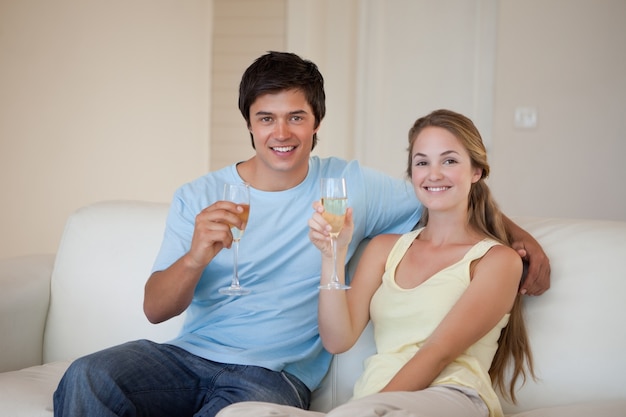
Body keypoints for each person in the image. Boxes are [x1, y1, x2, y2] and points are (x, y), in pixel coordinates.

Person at [53, 52, 547, 417]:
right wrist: (195, 258)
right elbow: (155, 309)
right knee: (87, 376)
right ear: (249, 124)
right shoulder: (199, 195)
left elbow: (442, 191)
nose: (281, 133)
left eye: (296, 117)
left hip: (273, 377)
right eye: (266, 118)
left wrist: (519, 237)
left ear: (316, 125)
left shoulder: (347, 185)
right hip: (186, 356)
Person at [217, 109, 536, 417]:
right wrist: (333, 255)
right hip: (370, 403)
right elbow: (337, 339)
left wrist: (364, 410)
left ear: (476, 171)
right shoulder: (386, 249)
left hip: (451, 395)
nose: (434, 173)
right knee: (238, 412)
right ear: (412, 175)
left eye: (449, 161)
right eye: (422, 162)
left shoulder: (497, 261)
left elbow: (437, 354)